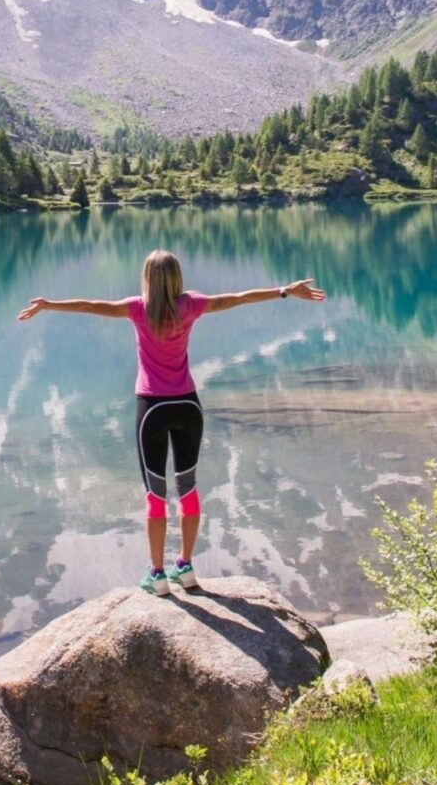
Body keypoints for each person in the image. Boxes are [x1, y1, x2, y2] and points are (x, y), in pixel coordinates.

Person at [18, 250, 326, 595]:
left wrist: (48, 304)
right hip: (187, 405)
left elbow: (91, 306)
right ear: (177, 277)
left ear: (147, 278)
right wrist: (284, 290)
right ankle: (186, 566)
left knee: (155, 494)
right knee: (188, 487)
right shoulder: (191, 305)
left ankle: (157, 574)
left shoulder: (137, 309)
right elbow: (236, 300)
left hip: (152, 407)